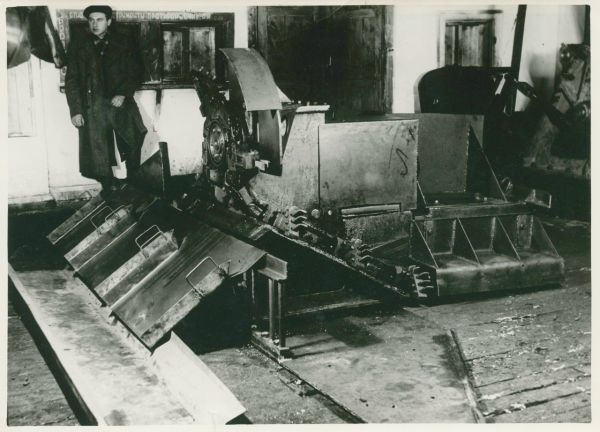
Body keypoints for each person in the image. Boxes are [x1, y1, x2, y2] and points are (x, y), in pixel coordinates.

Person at [64, 5, 146, 194]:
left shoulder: (124, 42)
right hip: (93, 105)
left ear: (108, 21)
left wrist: (123, 93)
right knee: (97, 151)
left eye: (99, 20)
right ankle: (109, 187)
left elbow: (136, 71)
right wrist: (76, 111)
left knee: (134, 136)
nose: (95, 24)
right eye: (91, 20)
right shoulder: (78, 45)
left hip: (120, 102)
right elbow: (72, 80)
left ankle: (133, 182)